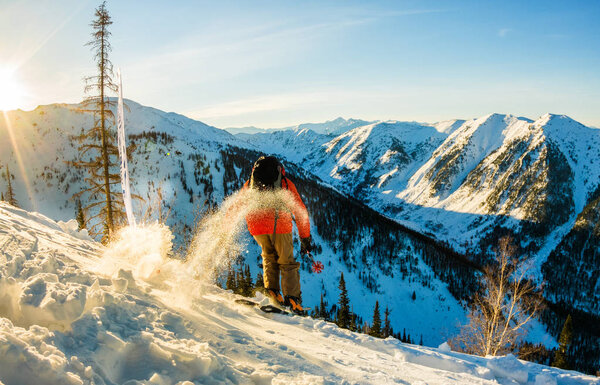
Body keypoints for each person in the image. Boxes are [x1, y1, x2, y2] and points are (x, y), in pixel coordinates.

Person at [242, 155, 313, 314]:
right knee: (287, 262)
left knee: (268, 257)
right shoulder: (285, 184)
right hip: (279, 225)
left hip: (256, 227)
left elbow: (238, 205)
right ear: (280, 171)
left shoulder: (250, 184)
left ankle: (273, 293)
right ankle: (293, 301)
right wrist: (305, 237)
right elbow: (300, 211)